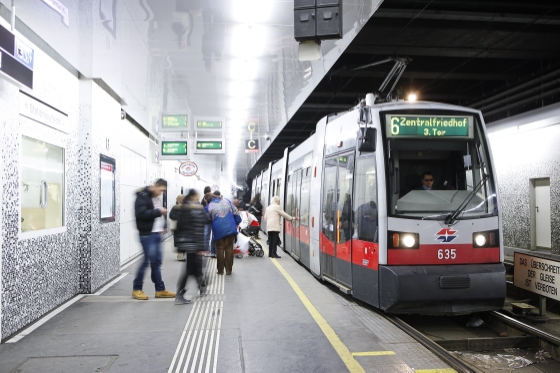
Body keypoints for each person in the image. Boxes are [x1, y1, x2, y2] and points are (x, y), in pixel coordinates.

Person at [132, 179, 176, 300]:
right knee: (146, 261)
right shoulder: (143, 196)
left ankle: (160, 289)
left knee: (156, 262)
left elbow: (158, 214)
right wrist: (158, 211)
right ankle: (137, 289)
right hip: (147, 234)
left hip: (156, 234)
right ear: (156, 186)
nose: (161, 193)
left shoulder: (155, 197)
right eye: (161, 190)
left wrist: (164, 225)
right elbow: (141, 213)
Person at [170, 189, 212, 305]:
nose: (198, 199)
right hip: (194, 244)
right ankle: (182, 293)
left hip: (187, 244)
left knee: (193, 268)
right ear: (194, 197)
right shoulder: (197, 209)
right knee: (190, 270)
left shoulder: (183, 208)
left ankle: (200, 288)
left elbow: (180, 227)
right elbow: (201, 226)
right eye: (197, 197)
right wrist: (200, 247)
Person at [206, 191, 239, 275]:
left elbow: (206, 218)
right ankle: (229, 270)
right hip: (230, 228)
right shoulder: (227, 201)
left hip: (218, 229)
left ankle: (220, 271)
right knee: (229, 248)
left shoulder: (209, 206)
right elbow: (236, 212)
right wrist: (236, 222)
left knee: (220, 249)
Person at [170, 195, 186, 261]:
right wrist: (180, 217)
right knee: (180, 242)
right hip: (177, 228)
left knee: (183, 242)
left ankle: (181, 255)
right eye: (182, 199)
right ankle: (180, 256)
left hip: (184, 227)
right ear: (178, 200)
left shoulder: (185, 207)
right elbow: (171, 215)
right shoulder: (175, 207)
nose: (183, 200)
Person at [201, 186, 212, 256]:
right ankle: (206, 249)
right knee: (206, 235)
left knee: (206, 235)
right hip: (207, 220)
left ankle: (206, 248)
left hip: (205, 219)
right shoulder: (206, 198)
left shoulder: (203, 199)